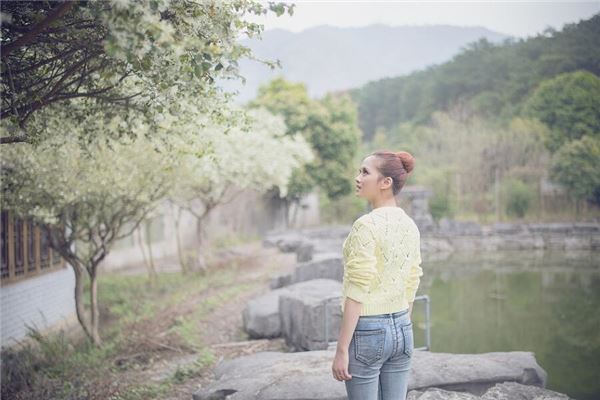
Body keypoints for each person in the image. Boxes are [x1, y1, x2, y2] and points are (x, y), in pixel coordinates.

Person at [331, 150, 424, 400]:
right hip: (403, 326)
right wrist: (400, 324)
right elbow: (412, 281)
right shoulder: (410, 225)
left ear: (386, 182)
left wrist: (341, 349)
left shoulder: (366, 225)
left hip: (368, 329)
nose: (357, 178)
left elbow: (357, 289)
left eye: (365, 172)